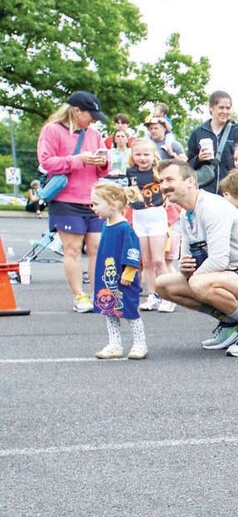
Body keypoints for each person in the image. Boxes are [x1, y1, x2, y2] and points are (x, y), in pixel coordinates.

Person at [154, 160, 238, 357]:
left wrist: (193, 278)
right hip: (227, 278)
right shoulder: (187, 214)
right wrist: (185, 270)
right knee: (162, 285)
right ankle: (230, 323)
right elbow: (188, 259)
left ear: (190, 181)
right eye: (161, 181)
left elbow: (219, 261)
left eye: (170, 179)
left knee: (199, 283)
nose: (164, 185)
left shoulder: (212, 207)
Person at [37, 90, 108, 312]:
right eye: (91, 115)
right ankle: (80, 296)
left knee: (97, 246)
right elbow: (46, 162)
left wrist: (102, 162)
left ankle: (99, 294)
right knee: (73, 249)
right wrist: (78, 160)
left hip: (93, 198)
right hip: (66, 198)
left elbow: (104, 169)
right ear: (77, 111)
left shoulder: (94, 134)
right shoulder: (51, 130)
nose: (94, 120)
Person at [88, 182, 147, 360]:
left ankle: (140, 343)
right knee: (109, 311)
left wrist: (129, 272)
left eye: (96, 204)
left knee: (129, 311)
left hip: (123, 279)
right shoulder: (107, 225)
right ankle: (115, 344)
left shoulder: (124, 228)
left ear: (112, 204)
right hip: (108, 278)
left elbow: (133, 251)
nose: (93, 208)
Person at [125, 140, 170, 311]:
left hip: (156, 216)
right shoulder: (130, 172)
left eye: (146, 154)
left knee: (159, 260)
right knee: (146, 261)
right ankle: (153, 295)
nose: (142, 158)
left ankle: (168, 296)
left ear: (153, 156)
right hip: (139, 217)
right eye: (138, 154)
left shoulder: (159, 172)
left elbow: (170, 187)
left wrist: (168, 199)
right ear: (132, 155)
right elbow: (130, 193)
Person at [187, 91, 238, 195]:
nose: (225, 111)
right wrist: (199, 159)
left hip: (231, 191)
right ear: (211, 108)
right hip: (205, 191)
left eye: (228, 108)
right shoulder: (198, 133)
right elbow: (188, 165)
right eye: (221, 107)